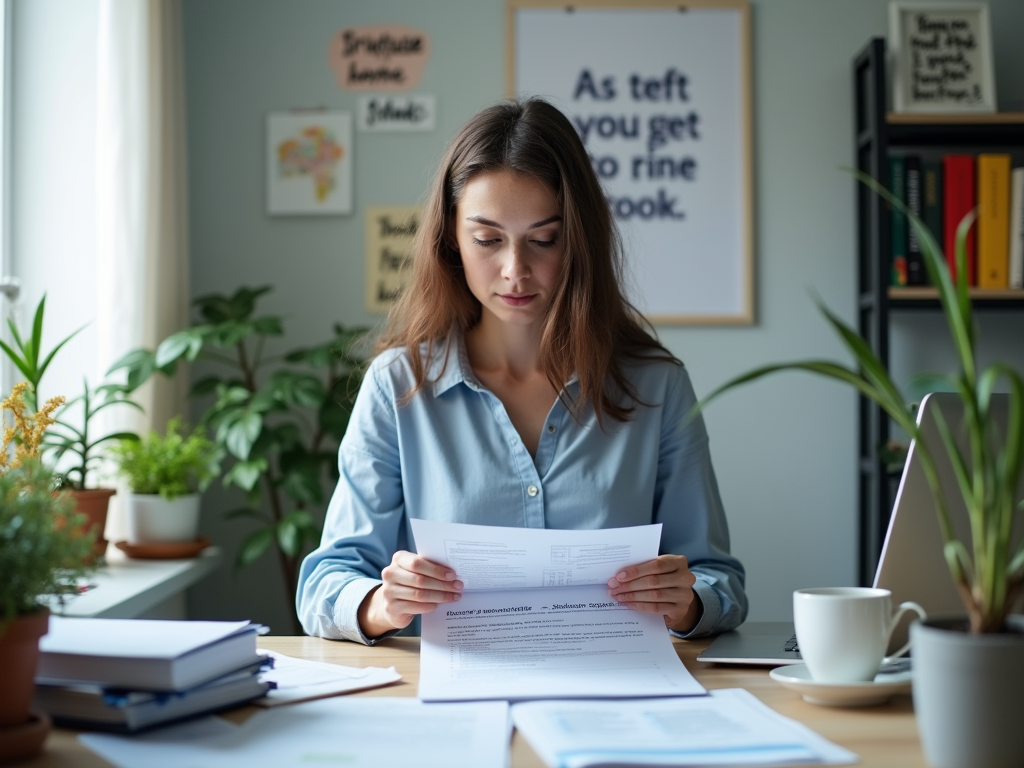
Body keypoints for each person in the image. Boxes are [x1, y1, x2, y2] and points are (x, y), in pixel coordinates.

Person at [296, 97, 747, 644]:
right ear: (451, 241)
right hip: (450, 702)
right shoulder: (398, 385)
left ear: (578, 241)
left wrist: (688, 602)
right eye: (488, 240)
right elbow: (324, 584)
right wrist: (379, 602)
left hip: (613, 695)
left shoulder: (657, 386)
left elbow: (720, 581)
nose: (516, 270)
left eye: (544, 239)